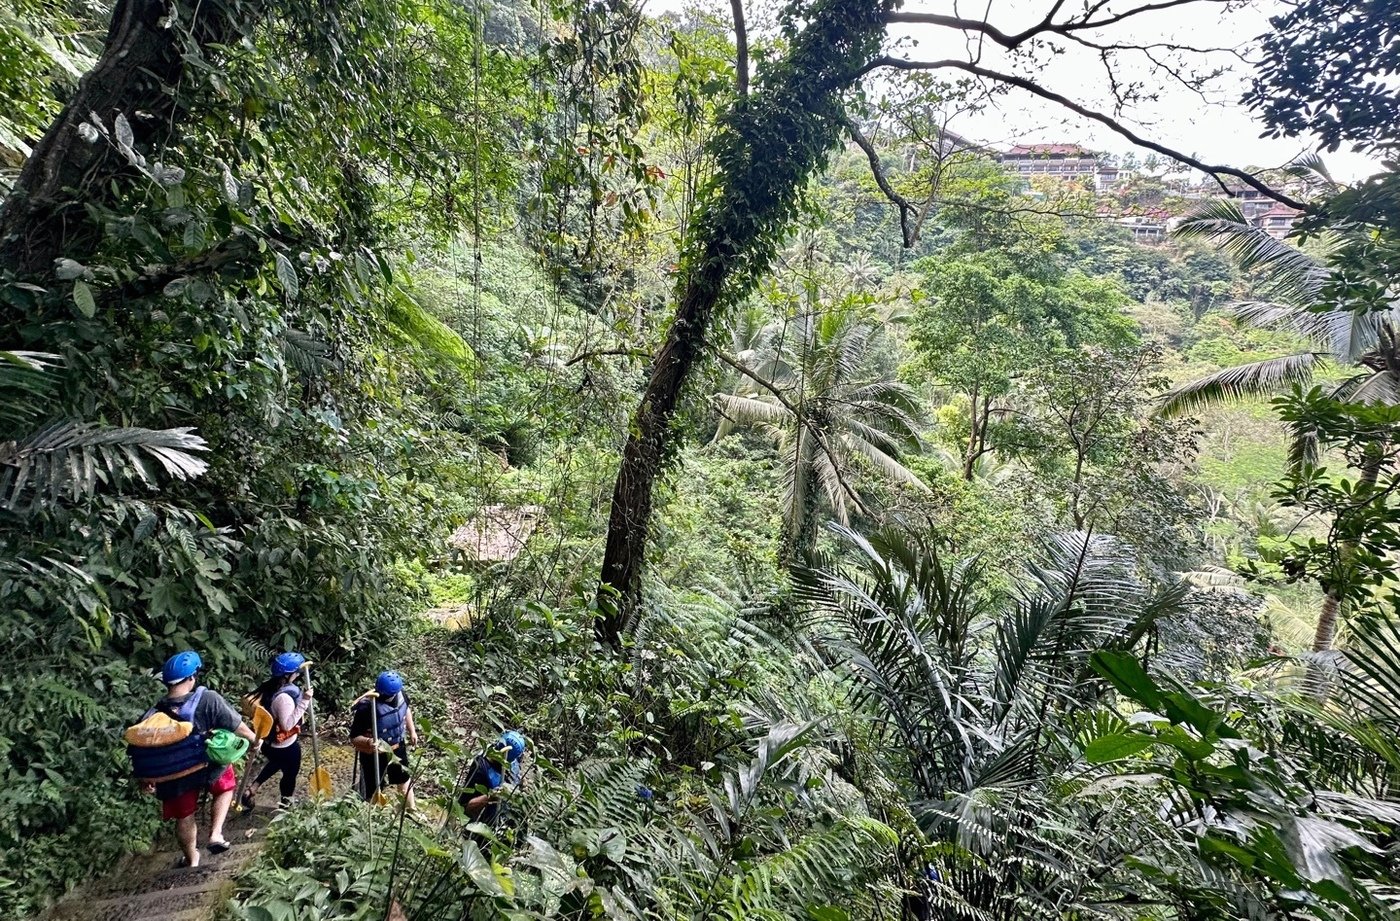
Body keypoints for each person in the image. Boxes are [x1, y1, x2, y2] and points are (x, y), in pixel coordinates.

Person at [133, 651, 257, 868]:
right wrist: (255, 740)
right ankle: (216, 834)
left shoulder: (151, 715)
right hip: (206, 766)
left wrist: (146, 780)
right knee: (226, 785)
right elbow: (238, 726)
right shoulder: (207, 699)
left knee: (184, 816)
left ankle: (192, 859)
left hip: (174, 777)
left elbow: (142, 751)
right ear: (192, 677)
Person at [240, 652, 311, 811]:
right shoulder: (284, 698)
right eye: (295, 673)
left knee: (276, 763)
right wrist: (305, 701)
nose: (297, 675)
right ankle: (286, 804)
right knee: (290, 773)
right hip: (284, 745)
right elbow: (287, 724)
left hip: (268, 743)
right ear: (288, 675)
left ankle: (253, 788)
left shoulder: (270, 687)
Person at [349, 670, 419, 809]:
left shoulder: (401, 695)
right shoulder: (367, 708)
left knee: (403, 779)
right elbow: (354, 738)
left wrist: (412, 731)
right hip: (373, 754)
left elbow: (405, 710)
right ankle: (372, 814)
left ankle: (410, 809)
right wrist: (368, 742)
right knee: (372, 788)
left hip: (397, 747)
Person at [457, 730, 526, 826]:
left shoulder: (513, 762)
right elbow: (465, 807)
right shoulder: (482, 766)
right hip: (482, 822)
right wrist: (492, 796)